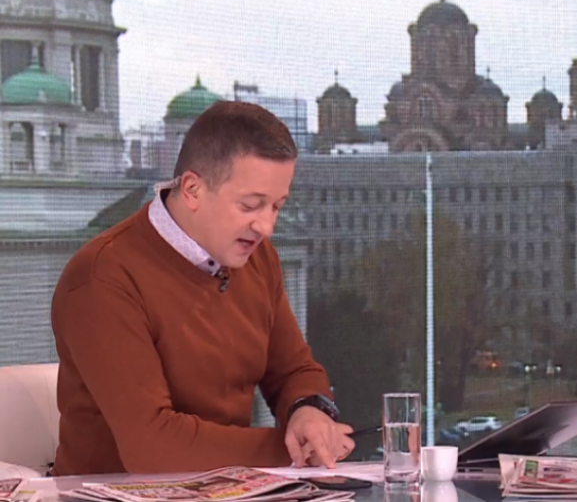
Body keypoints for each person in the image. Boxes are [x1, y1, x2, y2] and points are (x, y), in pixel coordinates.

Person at [51, 101, 355, 475]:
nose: (266, 227)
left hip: (228, 488)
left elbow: (293, 370)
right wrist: (292, 448)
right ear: (193, 189)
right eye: (250, 205)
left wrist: (308, 411)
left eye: (276, 207)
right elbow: (153, 447)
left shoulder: (258, 258)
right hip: (112, 493)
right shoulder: (102, 277)